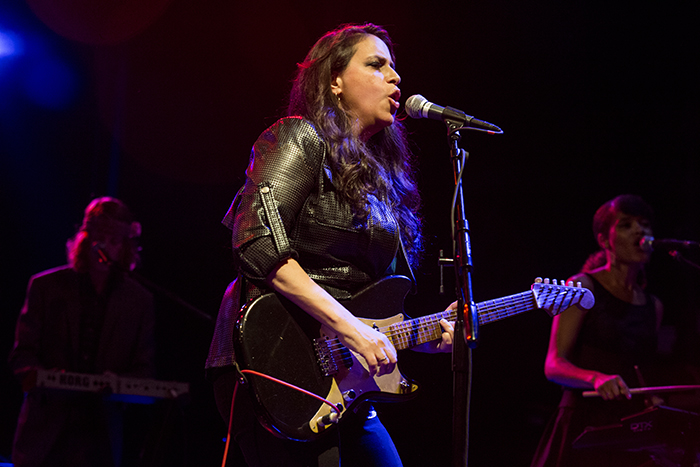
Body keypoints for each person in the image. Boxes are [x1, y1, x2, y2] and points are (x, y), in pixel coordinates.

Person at [206, 23, 455, 467]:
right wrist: (351, 328)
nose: (395, 78)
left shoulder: (384, 181)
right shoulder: (298, 137)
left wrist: (432, 335)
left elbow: (378, 314)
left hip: (345, 383)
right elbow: (258, 241)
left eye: (395, 68)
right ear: (334, 80)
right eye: (376, 65)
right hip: (274, 362)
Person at [9, 197, 156, 467]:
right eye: (99, 239)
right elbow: (21, 356)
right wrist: (44, 376)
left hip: (101, 435)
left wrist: (118, 382)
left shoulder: (139, 300)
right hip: (44, 432)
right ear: (85, 240)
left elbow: (143, 370)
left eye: (114, 241)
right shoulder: (46, 287)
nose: (105, 248)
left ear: (124, 247)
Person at [530, 194, 664, 467]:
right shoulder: (582, 287)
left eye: (645, 224)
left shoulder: (654, 305)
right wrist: (596, 378)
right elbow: (553, 364)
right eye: (626, 224)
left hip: (628, 426)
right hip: (584, 422)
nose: (640, 231)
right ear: (605, 241)